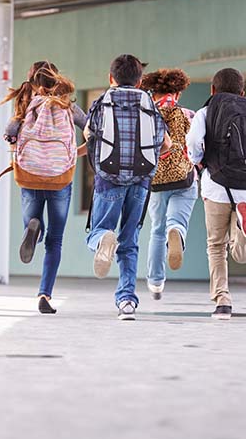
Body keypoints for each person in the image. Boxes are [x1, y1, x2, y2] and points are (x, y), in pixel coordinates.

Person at [186, 68, 246, 320]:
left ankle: (223, 300)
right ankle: (244, 230)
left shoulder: (206, 112)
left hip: (216, 186)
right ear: (242, 91)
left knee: (216, 246)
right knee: (242, 254)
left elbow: (194, 141)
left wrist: (198, 161)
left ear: (212, 90)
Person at [83, 54, 171, 320]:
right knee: (130, 240)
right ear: (140, 80)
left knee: (97, 230)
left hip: (108, 177)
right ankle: (127, 302)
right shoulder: (149, 103)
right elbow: (165, 143)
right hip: (141, 180)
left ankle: (102, 240)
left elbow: (89, 134)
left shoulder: (103, 101)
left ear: (111, 79)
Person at [0, 61, 86, 314]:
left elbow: (10, 133)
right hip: (60, 176)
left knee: (33, 221)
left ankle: (33, 228)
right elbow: (92, 129)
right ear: (56, 80)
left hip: (30, 174)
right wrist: (76, 152)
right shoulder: (68, 106)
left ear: (32, 83)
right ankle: (45, 294)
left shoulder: (25, 107)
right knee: (55, 240)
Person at [140, 68, 198, 300]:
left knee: (156, 230)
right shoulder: (187, 114)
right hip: (184, 178)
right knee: (176, 222)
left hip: (155, 181)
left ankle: (155, 282)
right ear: (179, 92)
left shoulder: (147, 114)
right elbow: (197, 148)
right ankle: (177, 232)